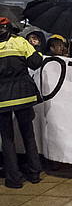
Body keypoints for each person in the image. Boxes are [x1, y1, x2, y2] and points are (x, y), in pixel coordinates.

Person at [0, 17, 43, 188]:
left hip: (1, 97)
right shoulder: (20, 42)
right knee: (28, 134)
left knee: (7, 138)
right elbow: (36, 62)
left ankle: (14, 178)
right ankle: (34, 173)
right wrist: (37, 48)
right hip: (24, 94)